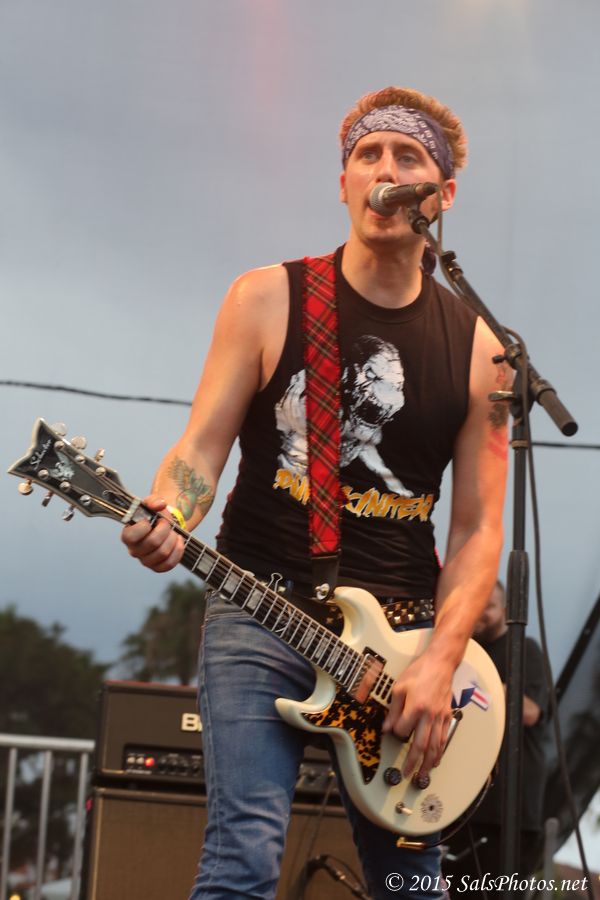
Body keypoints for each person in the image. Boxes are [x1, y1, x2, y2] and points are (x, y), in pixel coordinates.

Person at [121, 86, 511, 899]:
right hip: (260, 608)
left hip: (403, 642)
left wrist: (440, 661)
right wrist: (171, 511)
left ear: (441, 193)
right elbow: (200, 449)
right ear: (343, 182)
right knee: (242, 861)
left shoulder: (483, 352)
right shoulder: (266, 298)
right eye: (368, 155)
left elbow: (479, 529)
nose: (384, 170)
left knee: (412, 885)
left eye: (407, 157)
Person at [443, 580, 549, 895]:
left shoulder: (525, 649)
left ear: (504, 610)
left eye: (488, 607)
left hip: (508, 815)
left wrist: (478, 681)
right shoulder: (463, 652)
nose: (480, 614)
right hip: (460, 805)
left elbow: (530, 711)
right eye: (476, 606)